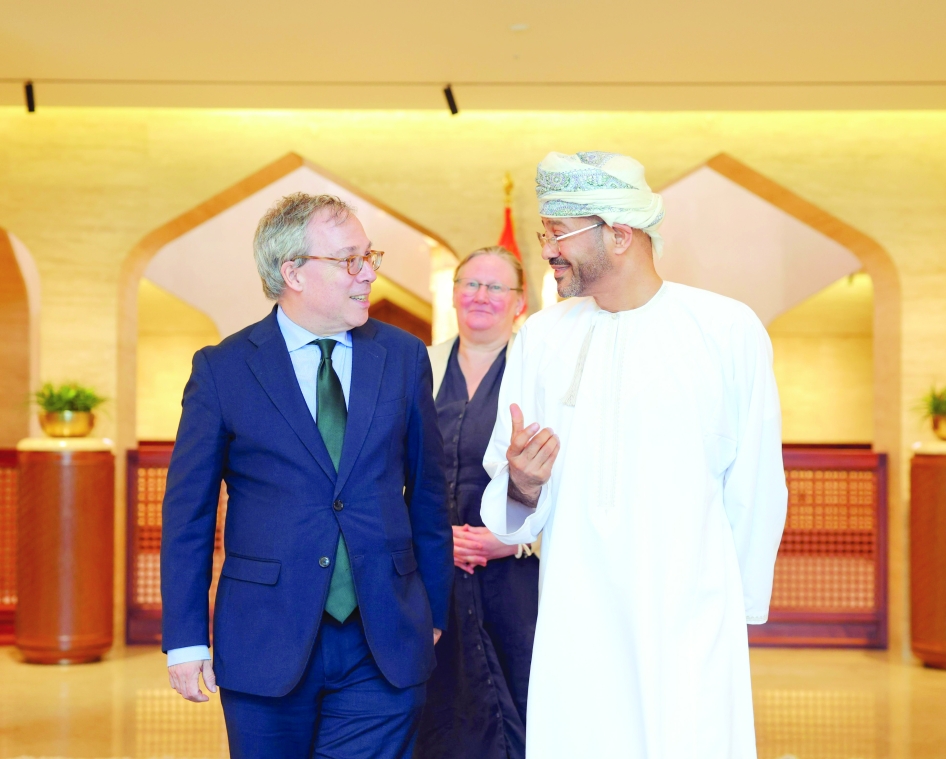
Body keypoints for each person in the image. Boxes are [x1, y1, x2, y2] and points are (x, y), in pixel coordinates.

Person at [480, 152, 789, 759]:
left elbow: (754, 482)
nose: (546, 248)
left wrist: (740, 609)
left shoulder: (726, 330)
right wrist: (521, 484)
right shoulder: (541, 338)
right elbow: (509, 487)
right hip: (577, 610)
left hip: (689, 613)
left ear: (619, 235)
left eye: (557, 232)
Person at [160, 192, 452, 759]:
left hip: (384, 639)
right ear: (292, 271)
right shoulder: (222, 369)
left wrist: (432, 612)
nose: (368, 273)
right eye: (349, 260)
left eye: (371, 256)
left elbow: (428, 494)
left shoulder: (403, 356)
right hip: (265, 639)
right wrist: (186, 640)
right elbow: (187, 516)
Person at [415, 247, 537, 759]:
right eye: (471, 284)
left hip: (516, 581)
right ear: (453, 292)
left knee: (521, 706)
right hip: (430, 578)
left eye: (496, 288)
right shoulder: (415, 365)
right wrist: (435, 544)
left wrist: (518, 540)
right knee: (438, 714)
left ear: (519, 303)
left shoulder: (541, 372)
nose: (481, 296)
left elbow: (574, 480)